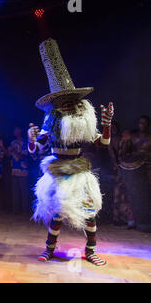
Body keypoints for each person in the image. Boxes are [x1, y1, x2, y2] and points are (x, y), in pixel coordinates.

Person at [28, 38, 113, 266]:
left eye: (73, 100)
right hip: (58, 174)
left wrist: (107, 124)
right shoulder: (51, 122)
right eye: (64, 101)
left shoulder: (83, 121)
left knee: (89, 214)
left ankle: (91, 251)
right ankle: (50, 249)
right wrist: (32, 139)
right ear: (56, 104)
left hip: (79, 174)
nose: (70, 105)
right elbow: (37, 150)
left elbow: (102, 143)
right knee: (57, 216)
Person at [118, 115, 151, 232]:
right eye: (141, 123)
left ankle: (146, 222)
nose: (143, 125)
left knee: (147, 195)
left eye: (145, 123)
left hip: (148, 168)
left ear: (148, 124)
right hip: (136, 170)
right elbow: (125, 151)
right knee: (133, 194)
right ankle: (132, 220)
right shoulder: (133, 137)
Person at [108, 121, 134, 228]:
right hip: (118, 170)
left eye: (115, 127)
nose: (113, 130)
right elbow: (113, 157)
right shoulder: (110, 141)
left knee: (124, 195)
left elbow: (125, 154)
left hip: (125, 169)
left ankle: (128, 219)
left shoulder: (123, 139)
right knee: (118, 195)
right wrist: (117, 168)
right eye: (111, 128)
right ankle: (117, 218)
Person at [9, 127, 30, 214]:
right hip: (14, 169)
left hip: (23, 170)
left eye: (16, 130)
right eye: (14, 130)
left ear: (20, 131)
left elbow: (23, 156)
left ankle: (25, 210)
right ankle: (16, 210)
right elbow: (8, 154)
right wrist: (2, 146)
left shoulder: (25, 142)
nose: (15, 132)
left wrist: (14, 151)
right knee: (15, 191)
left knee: (24, 191)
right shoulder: (12, 142)